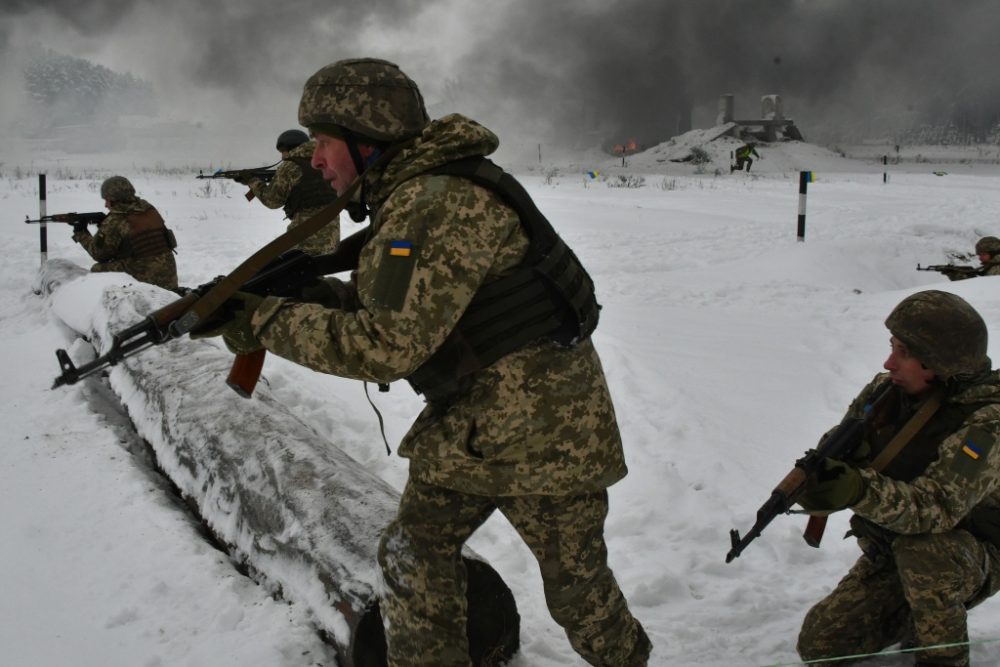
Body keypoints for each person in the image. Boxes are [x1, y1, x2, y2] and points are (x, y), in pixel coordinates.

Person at [192, 57, 651, 666]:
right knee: (413, 553)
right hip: (472, 424)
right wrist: (300, 297)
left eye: (324, 143)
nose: (315, 159)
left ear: (368, 136)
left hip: (544, 433)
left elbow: (385, 345)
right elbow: (397, 306)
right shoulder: (414, 193)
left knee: (579, 596)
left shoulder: (435, 202)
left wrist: (264, 321)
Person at [795, 290, 1000, 667]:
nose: (889, 362)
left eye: (903, 353)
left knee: (924, 552)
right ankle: (926, 612)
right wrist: (825, 476)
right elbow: (838, 441)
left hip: (974, 551)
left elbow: (934, 508)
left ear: (939, 362)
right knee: (821, 645)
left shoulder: (987, 421)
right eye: (892, 347)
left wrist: (858, 488)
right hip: (895, 546)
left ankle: (944, 657)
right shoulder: (887, 391)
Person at [236, 128, 340, 255]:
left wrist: (252, 181)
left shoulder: (290, 166)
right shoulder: (325, 162)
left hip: (305, 240)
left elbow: (272, 201)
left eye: (283, 151)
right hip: (332, 237)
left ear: (290, 147)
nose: (282, 156)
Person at [73, 175, 178, 290]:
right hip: (169, 276)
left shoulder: (115, 220)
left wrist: (81, 233)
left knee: (97, 269)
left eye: (107, 200)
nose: (106, 205)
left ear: (114, 199)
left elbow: (98, 254)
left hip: (147, 279)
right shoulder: (147, 208)